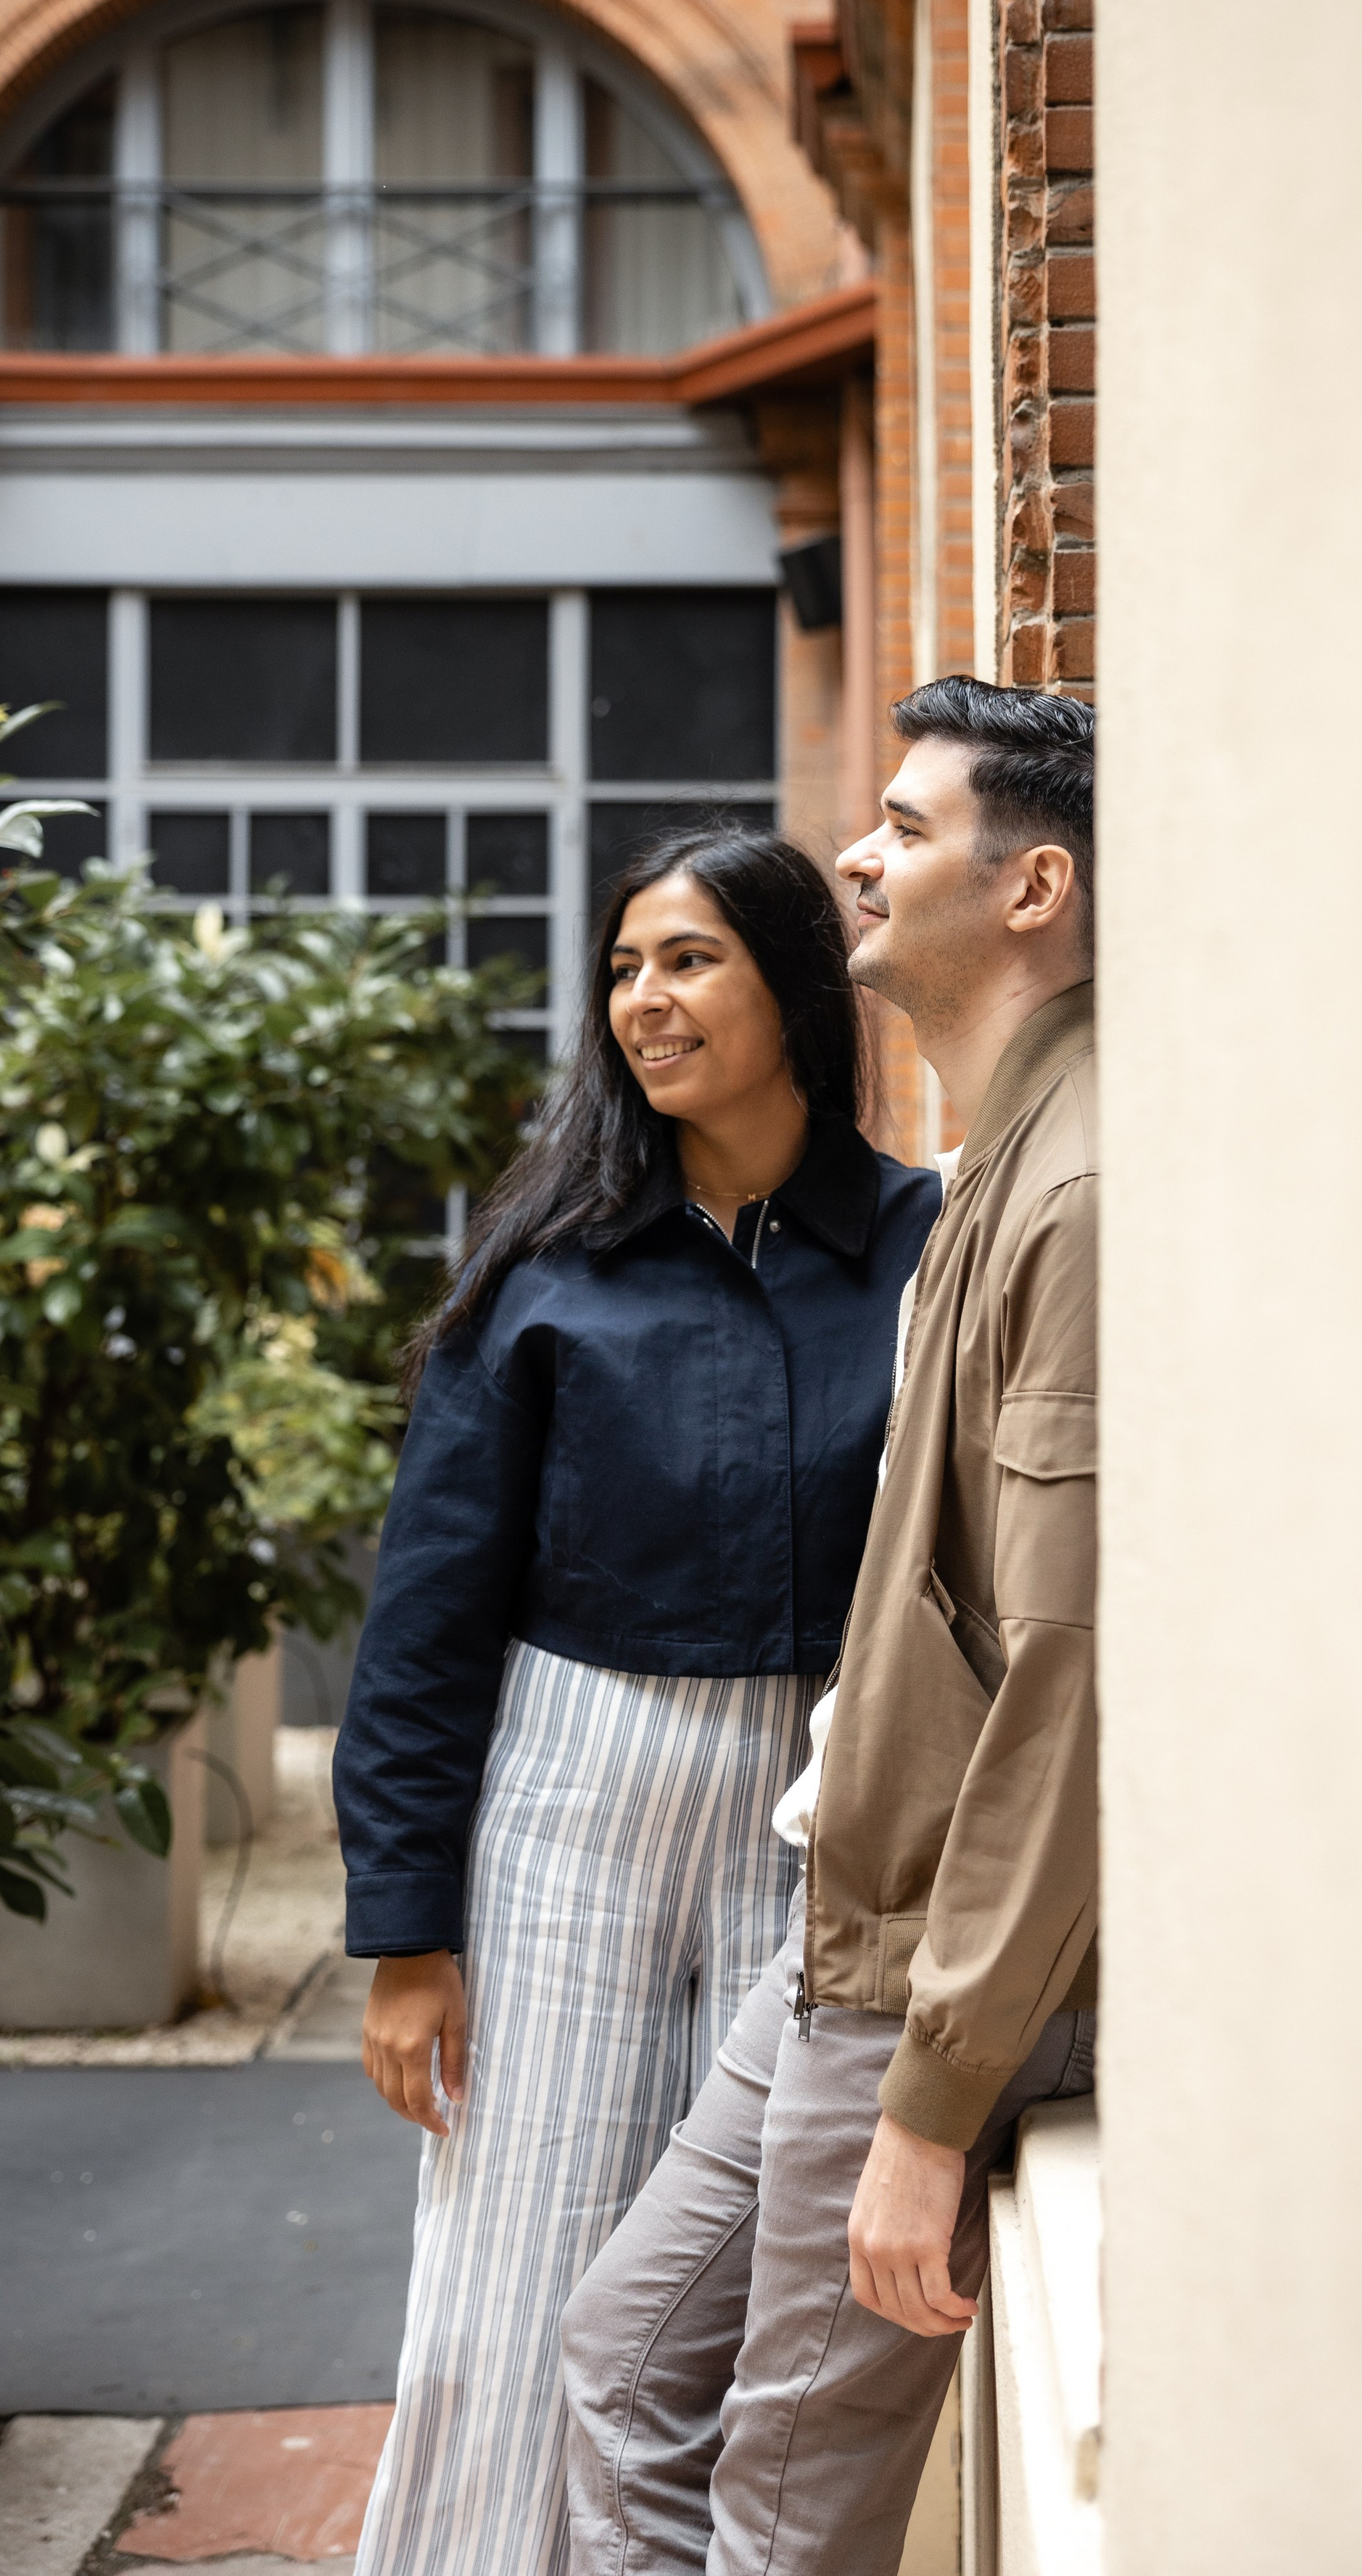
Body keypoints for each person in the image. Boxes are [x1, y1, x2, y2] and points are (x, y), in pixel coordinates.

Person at [334, 825, 942, 2576]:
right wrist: (405, 1930)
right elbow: (428, 1614)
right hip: (568, 1806)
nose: (642, 1003)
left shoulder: (919, 1244)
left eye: (686, 961)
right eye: (623, 968)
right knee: (517, 2273)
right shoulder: (548, 1266)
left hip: (811, 1803)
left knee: (736, 2298)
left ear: (792, 987)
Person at [561, 680, 1099, 2576]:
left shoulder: (1083, 1194)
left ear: (1033, 890)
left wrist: (936, 2105)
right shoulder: (990, 1170)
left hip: (923, 1982)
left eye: (905, 825)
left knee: (781, 2526)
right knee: (621, 2358)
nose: (854, 857)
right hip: (844, 1921)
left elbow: (1075, 1688)